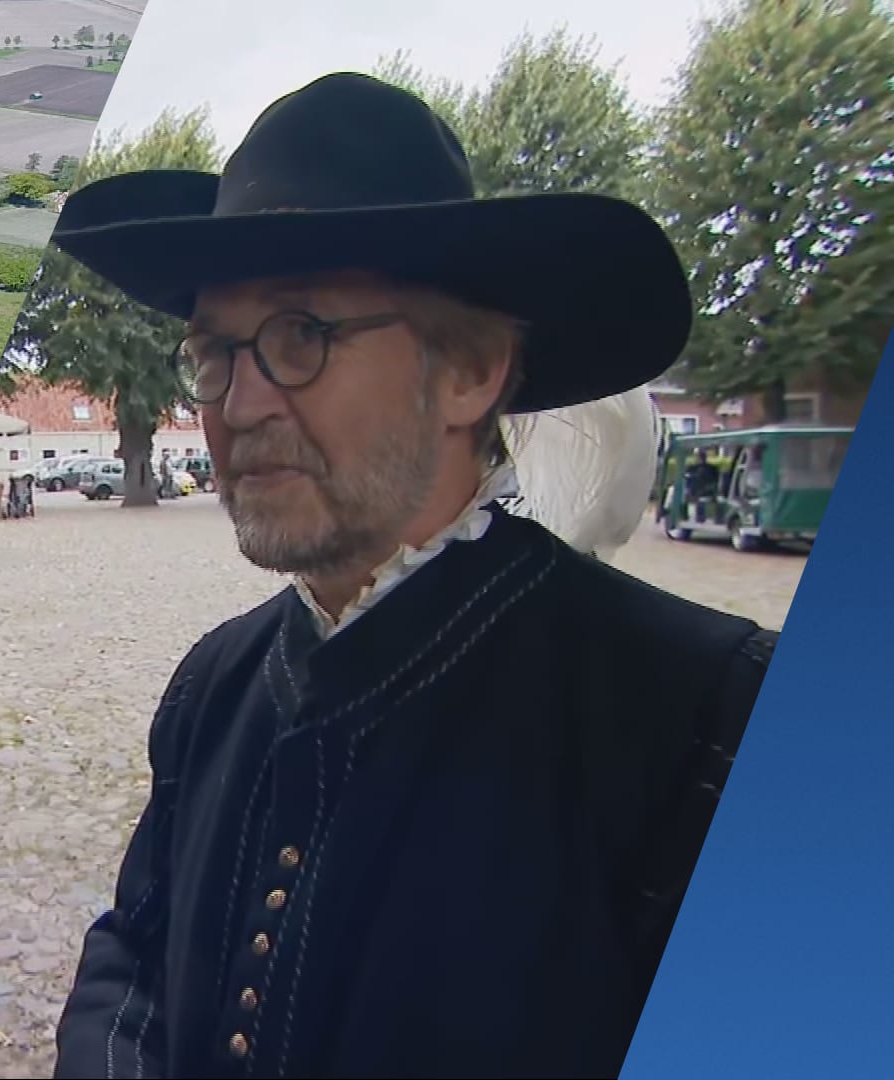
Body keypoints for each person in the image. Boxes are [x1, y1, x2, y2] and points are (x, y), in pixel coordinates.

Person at [47, 73, 775, 1080]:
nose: (239, 402)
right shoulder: (213, 684)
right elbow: (133, 951)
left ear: (471, 371)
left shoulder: (705, 719)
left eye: (303, 335)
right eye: (215, 350)